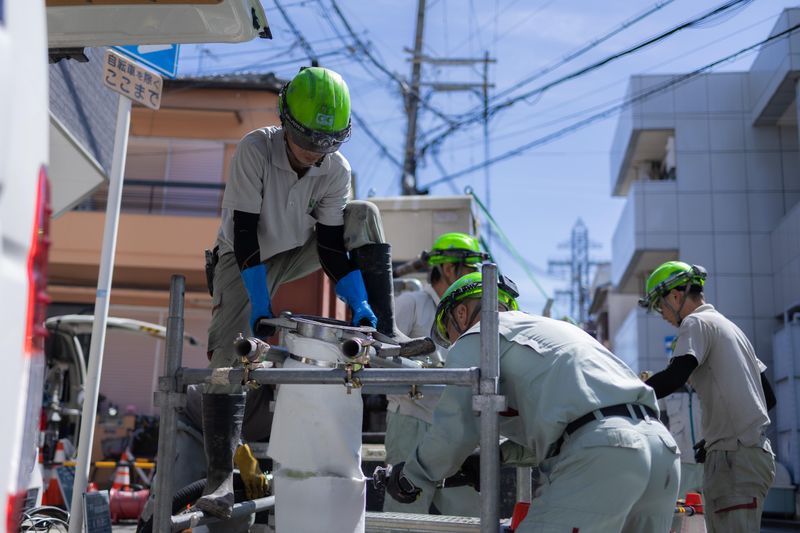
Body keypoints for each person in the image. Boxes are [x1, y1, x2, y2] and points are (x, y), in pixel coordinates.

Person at [199, 66, 428, 519]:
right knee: (226, 355)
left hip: (297, 249)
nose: (315, 153)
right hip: (241, 257)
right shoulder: (255, 149)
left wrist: (358, 302)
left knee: (362, 212)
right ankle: (219, 476)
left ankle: (385, 326)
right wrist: (261, 305)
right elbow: (245, 234)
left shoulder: (335, 169)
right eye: (308, 141)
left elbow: (329, 247)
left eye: (328, 144)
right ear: (284, 121)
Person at [386, 272, 681, 532]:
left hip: (605, 451)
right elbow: (565, 424)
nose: (453, 344)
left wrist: (411, 476)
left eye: (449, 334)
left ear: (461, 314)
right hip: (660, 449)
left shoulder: (480, 335)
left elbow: (455, 429)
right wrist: (497, 455)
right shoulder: (553, 332)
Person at [640, 261, 776, 532]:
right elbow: (768, 397)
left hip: (733, 458)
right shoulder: (731, 329)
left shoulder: (695, 322)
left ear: (675, 296)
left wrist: (628, 392)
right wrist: (716, 436)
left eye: (660, 306)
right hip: (751, 454)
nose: (663, 315)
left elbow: (674, 376)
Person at [383, 232, 487, 516]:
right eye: (470, 268)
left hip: (453, 423)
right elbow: (382, 356)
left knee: (467, 515)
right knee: (404, 511)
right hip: (411, 420)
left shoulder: (468, 312)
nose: (474, 276)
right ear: (450, 268)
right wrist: (420, 365)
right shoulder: (412, 302)